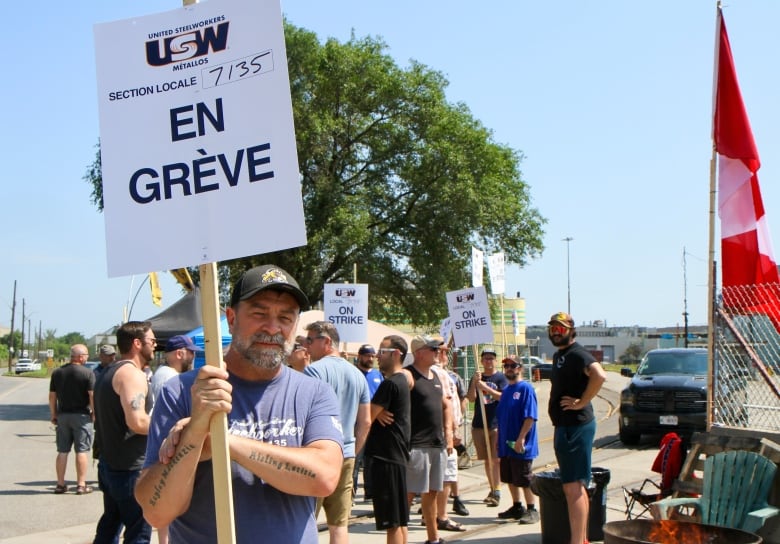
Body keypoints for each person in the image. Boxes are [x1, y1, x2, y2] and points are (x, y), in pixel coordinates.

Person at [135, 265, 344, 544]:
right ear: (231, 319)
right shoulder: (183, 392)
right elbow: (157, 512)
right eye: (259, 314)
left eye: (285, 317)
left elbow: (324, 477)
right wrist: (195, 433)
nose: (272, 327)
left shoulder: (314, 392)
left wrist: (224, 442)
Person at [304, 321, 371, 544]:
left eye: (310, 340)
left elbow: (303, 415)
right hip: (346, 453)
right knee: (339, 525)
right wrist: (351, 449)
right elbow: (366, 421)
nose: (306, 346)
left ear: (326, 342)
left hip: (317, 455)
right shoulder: (358, 375)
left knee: (305, 522)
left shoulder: (313, 371)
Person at [547, 312, 607, 544]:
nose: (555, 333)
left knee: (574, 488)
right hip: (564, 426)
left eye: (560, 329)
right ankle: (580, 539)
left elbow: (599, 375)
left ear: (571, 331)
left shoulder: (577, 353)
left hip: (576, 426)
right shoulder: (559, 355)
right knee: (572, 487)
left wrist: (582, 401)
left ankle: (577, 541)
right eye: (552, 329)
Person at [93, 321, 155, 544]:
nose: (155, 346)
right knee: (138, 532)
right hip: (130, 469)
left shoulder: (108, 371)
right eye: (152, 341)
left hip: (110, 464)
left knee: (110, 525)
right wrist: (167, 427)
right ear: (137, 343)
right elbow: (137, 422)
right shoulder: (131, 375)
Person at [147, 334, 201, 544]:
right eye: (191, 353)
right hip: (170, 443)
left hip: (170, 441)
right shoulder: (170, 378)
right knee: (167, 508)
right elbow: (168, 418)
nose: (193, 357)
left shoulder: (164, 373)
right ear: (180, 353)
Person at [404, 335, 453, 544]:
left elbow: (446, 404)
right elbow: (388, 402)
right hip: (416, 445)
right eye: (432, 349)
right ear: (419, 353)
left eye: (437, 350)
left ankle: (433, 538)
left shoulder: (435, 376)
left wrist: (448, 433)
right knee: (408, 493)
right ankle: (398, 536)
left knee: (432, 493)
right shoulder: (408, 375)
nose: (436, 353)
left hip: (437, 444)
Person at [365, 335, 411, 544]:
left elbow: (367, 418)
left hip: (385, 458)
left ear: (395, 354)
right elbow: (376, 413)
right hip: (397, 457)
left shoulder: (390, 384)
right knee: (399, 521)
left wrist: (375, 412)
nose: (377, 356)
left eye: (382, 352)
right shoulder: (402, 380)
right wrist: (379, 411)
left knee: (391, 523)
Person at [495, 356, 540, 524]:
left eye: (512, 366)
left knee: (523, 477)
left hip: (521, 443)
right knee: (509, 477)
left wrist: (521, 438)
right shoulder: (506, 390)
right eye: (506, 366)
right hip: (505, 443)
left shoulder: (525, 388)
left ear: (520, 368)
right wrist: (498, 438)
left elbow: (530, 417)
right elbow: (501, 417)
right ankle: (517, 506)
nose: (509, 368)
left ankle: (531, 509)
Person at [429, 340, 467, 531]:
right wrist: (452, 431)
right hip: (444, 435)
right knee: (444, 476)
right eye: (443, 351)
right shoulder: (439, 373)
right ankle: (440, 516)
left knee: (439, 476)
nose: (445, 354)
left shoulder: (434, 372)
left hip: (440, 433)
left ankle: (432, 515)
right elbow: (447, 404)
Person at [49, 344, 95, 495]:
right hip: (81, 416)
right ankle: (81, 485)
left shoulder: (57, 373)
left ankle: (60, 484)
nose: (87, 358)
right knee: (82, 450)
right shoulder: (87, 373)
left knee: (62, 451)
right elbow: (92, 395)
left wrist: (54, 414)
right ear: (81, 357)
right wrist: (94, 413)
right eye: (87, 355)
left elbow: (52, 396)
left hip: (63, 415)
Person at [466, 348, 508, 507]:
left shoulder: (501, 378)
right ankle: (492, 488)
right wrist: (475, 384)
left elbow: (502, 397)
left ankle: (497, 490)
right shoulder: (477, 377)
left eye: (491, 358)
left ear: (495, 361)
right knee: (486, 460)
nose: (489, 361)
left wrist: (486, 387)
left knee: (496, 459)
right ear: (482, 361)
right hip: (479, 424)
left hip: (495, 423)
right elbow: (471, 398)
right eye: (486, 359)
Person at [354, 343, 383, 501]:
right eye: (367, 355)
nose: (370, 358)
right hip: (358, 422)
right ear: (359, 356)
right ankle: (351, 492)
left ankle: (370, 492)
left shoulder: (378, 375)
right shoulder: (353, 373)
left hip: (375, 422)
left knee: (372, 460)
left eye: (372, 356)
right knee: (356, 458)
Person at [149, 335, 201, 405]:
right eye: (191, 352)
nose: (194, 356)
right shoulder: (169, 377)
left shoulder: (166, 373)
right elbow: (169, 414)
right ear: (179, 354)